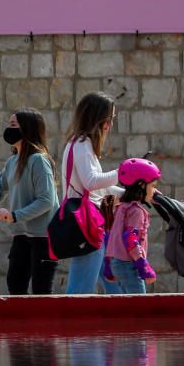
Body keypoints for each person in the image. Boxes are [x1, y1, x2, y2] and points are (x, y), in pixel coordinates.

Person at [0, 108, 59, 295]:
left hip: (42, 237)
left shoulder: (39, 160)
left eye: (13, 124)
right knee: (15, 285)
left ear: (28, 128)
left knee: (41, 291)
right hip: (21, 234)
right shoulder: (13, 161)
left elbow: (47, 200)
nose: (9, 128)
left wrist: (14, 216)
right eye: (9, 124)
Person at [60, 92, 124, 294]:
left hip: (89, 222)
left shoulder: (79, 144)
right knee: (82, 286)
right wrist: (123, 171)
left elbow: (98, 185)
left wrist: (129, 193)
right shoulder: (82, 144)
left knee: (107, 279)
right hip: (87, 224)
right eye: (108, 119)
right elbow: (91, 182)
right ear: (96, 117)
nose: (110, 125)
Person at [103, 158, 161, 294]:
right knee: (140, 308)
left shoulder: (121, 208)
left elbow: (110, 236)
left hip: (117, 264)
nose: (154, 190)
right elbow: (130, 238)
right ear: (141, 185)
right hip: (130, 265)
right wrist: (143, 265)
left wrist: (108, 264)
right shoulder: (137, 211)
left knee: (127, 308)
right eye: (152, 186)